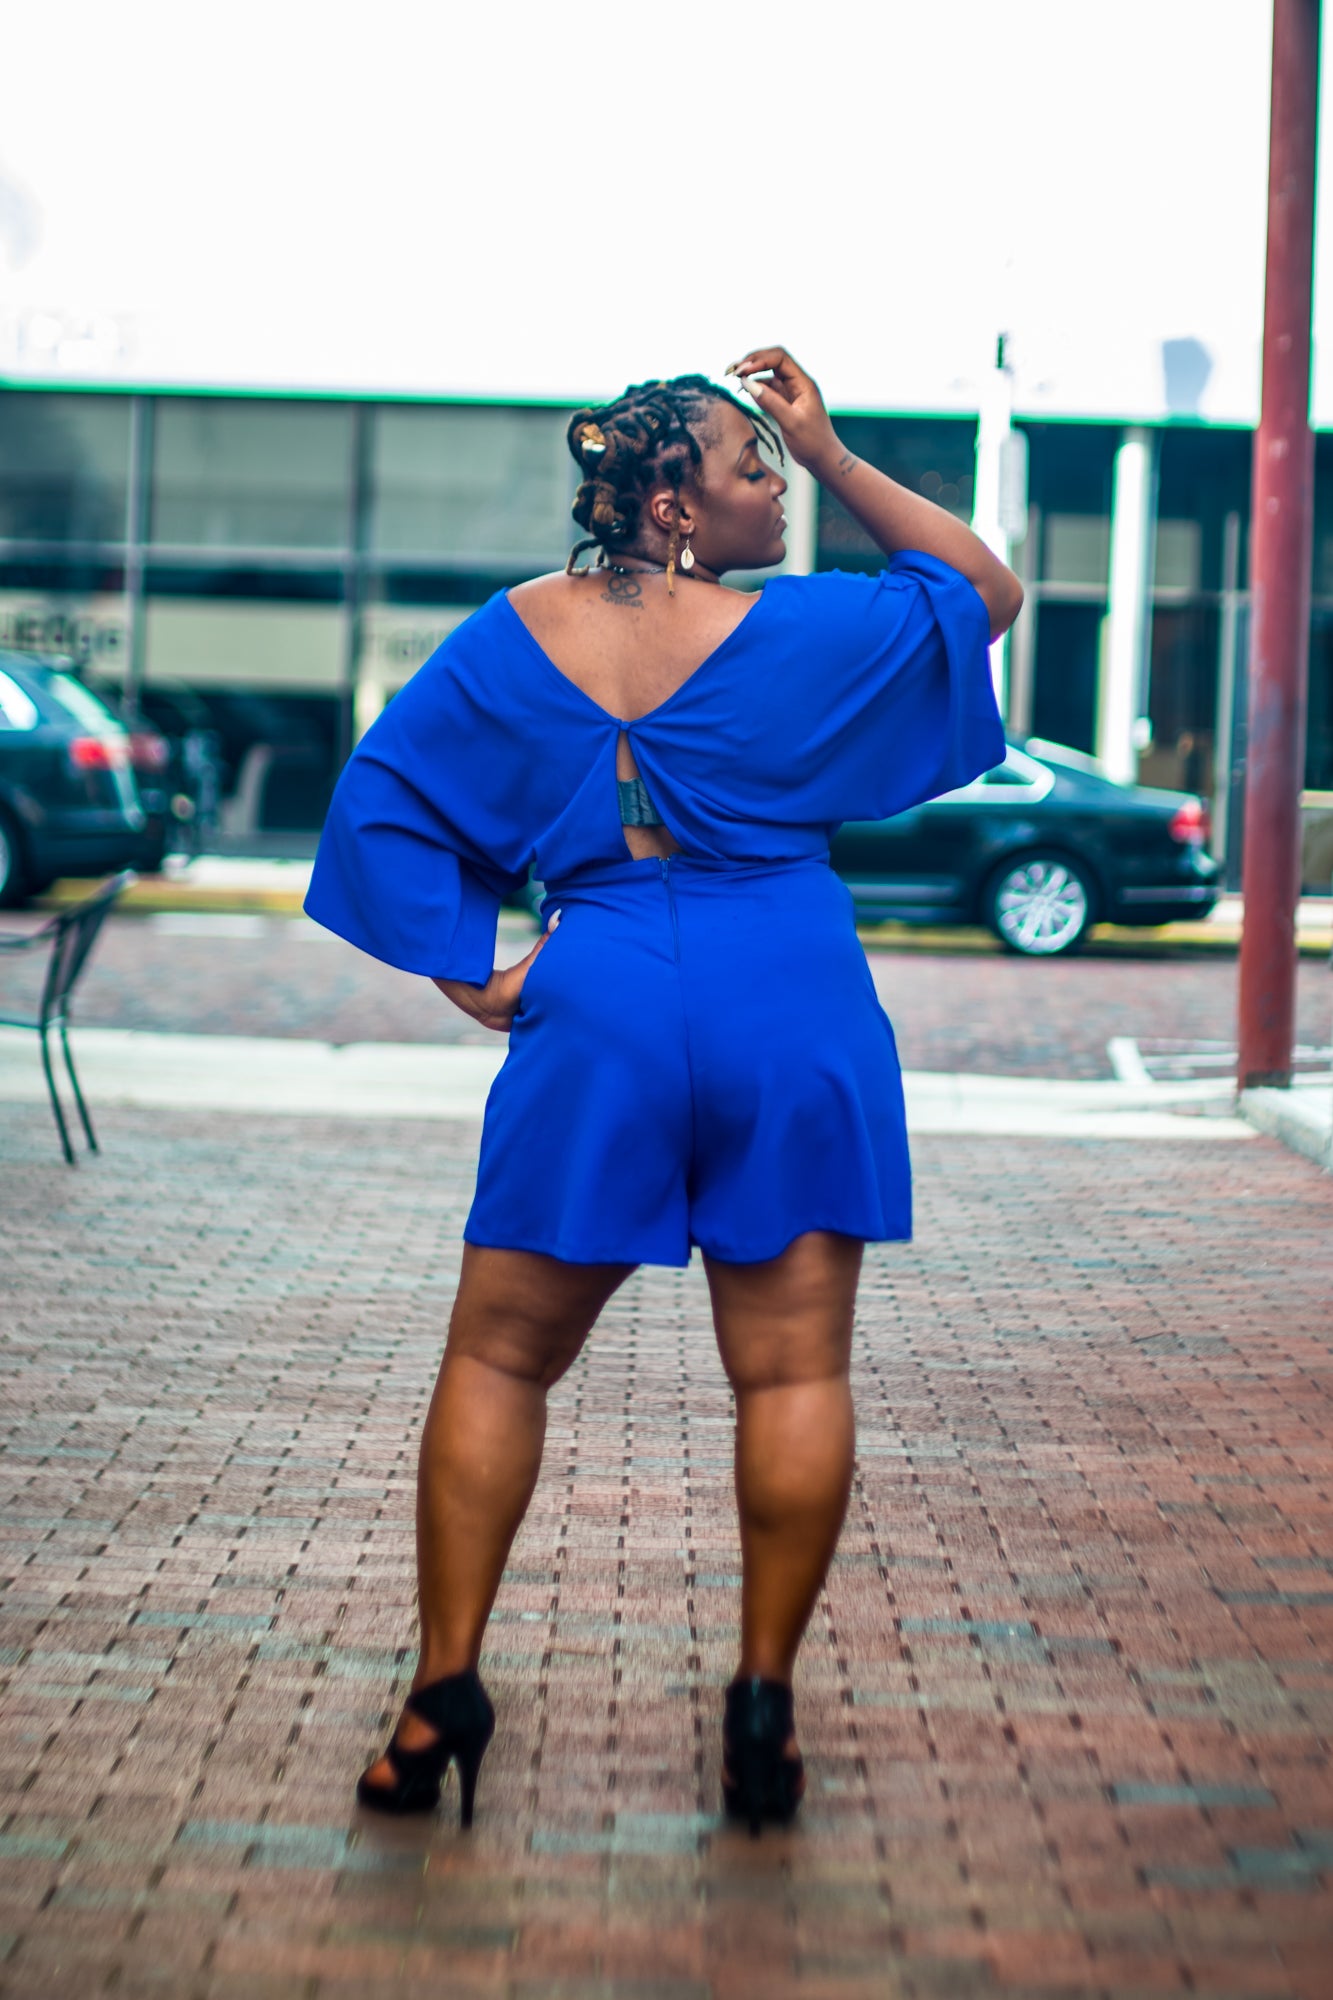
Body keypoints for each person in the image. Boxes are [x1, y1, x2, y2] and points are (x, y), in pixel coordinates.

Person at [304, 347, 1023, 1834]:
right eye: (756, 467)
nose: (780, 489)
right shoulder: (806, 634)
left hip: (600, 993)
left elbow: (381, 798)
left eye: (784, 464)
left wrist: (466, 963)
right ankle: (760, 1701)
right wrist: (843, 457)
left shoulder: (513, 636)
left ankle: (442, 1691)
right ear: (674, 503)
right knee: (795, 1375)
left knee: (500, 1361)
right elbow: (979, 589)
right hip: (790, 999)